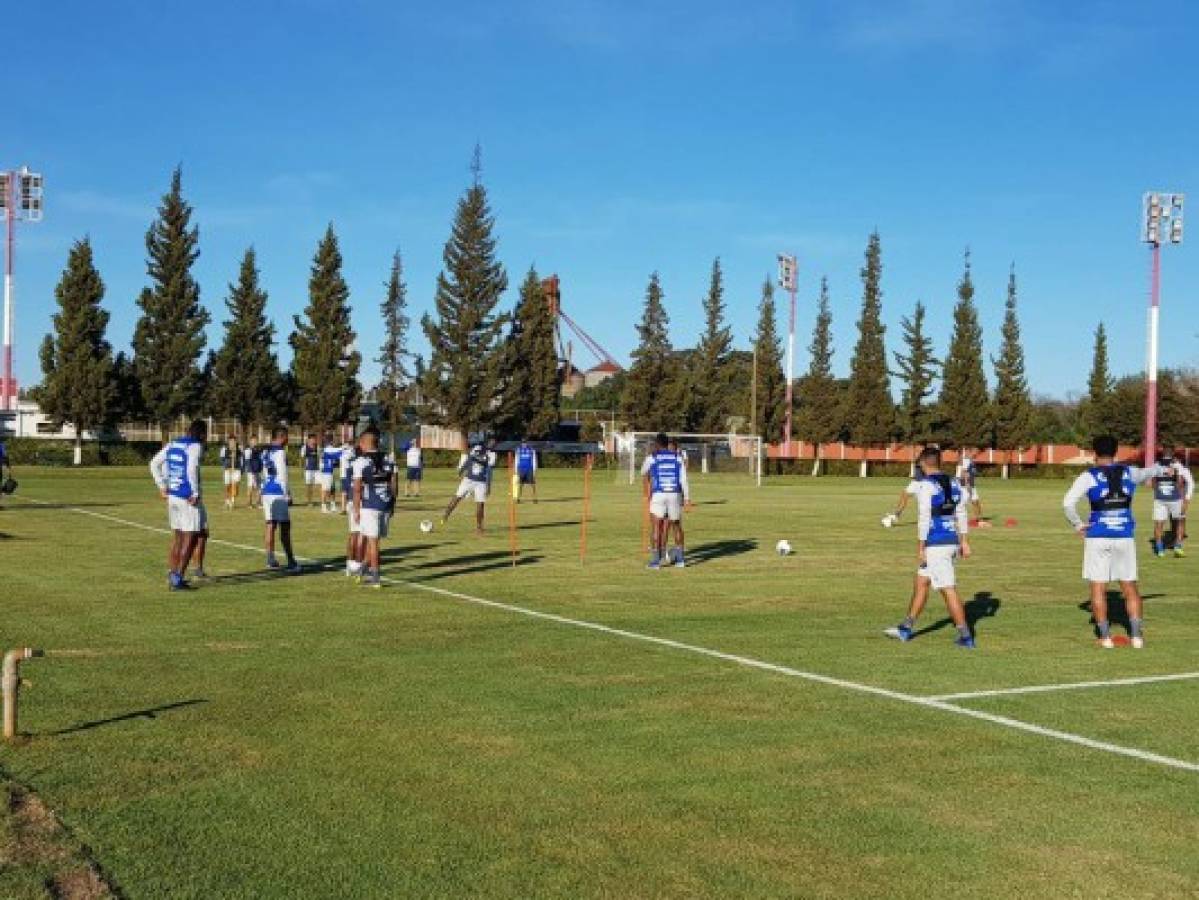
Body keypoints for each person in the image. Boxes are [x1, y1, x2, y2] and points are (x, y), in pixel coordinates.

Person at [1063, 435, 1159, 649]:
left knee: (1098, 587)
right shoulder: (1130, 472)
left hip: (1098, 535)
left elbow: (1068, 503)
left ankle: (1105, 638)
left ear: (1094, 452)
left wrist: (1078, 525)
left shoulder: (1089, 476)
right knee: (1129, 586)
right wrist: (1163, 467)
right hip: (1124, 535)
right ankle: (1136, 637)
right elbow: (1149, 472)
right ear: (1116, 451)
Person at [884, 446, 975, 648]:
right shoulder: (953, 482)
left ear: (923, 463)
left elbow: (924, 517)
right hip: (951, 541)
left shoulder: (925, 486)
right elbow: (961, 512)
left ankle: (966, 636)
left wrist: (920, 546)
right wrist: (964, 540)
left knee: (947, 589)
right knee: (921, 582)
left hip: (936, 544)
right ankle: (905, 628)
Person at [149, 420, 210, 590]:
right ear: (202, 434)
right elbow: (191, 469)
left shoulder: (174, 444)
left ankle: (173, 572)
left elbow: (153, 463)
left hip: (173, 497)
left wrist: (162, 486)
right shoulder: (194, 446)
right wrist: (195, 492)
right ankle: (178, 578)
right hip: (187, 497)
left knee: (179, 537)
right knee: (189, 539)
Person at [352, 426, 397, 588]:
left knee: (372, 543)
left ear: (364, 443)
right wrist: (393, 504)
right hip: (385, 504)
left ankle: (375, 577)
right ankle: (364, 567)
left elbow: (357, 489)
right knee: (375, 540)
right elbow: (394, 483)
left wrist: (356, 510)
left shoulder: (360, 462)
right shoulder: (389, 459)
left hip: (369, 506)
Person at [642, 432, 691, 569]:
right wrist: (687, 498)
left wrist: (647, 488)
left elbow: (643, 471)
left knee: (656, 526)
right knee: (676, 525)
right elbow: (684, 480)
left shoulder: (652, 457)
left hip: (658, 494)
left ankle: (655, 562)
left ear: (657, 444)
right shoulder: (678, 457)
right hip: (674, 494)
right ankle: (681, 560)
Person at [261, 427, 301, 573]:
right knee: (285, 526)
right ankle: (290, 560)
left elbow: (264, 472)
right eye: (287, 437)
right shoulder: (280, 452)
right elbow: (283, 475)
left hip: (266, 490)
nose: (288, 440)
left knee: (270, 524)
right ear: (282, 437)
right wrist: (287, 495)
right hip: (277, 492)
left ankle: (270, 559)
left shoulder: (266, 451)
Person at [442, 444, 492, 534]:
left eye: (479, 452)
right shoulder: (471, 457)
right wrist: (460, 472)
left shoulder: (486, 458)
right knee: (457, 498)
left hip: (480, 483)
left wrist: (488, 486)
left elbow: (485, 467)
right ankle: (446, 514)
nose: (477, 453)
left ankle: (479, 527)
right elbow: (464, 466)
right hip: (468, 480)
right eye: (476, 452)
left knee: (480, 504)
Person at [1152, 451, 1193, 558]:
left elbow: (1153, 483)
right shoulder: (1177, 467)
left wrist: (1160, 491)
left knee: (1160, 523)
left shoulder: (1157, 466)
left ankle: (1160, 549)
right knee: (1179, 521)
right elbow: (1180, 484)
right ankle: (1177, 546)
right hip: (1174, 499)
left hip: (1161, 499)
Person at [955, 449, 983, 521]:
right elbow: (963, 473)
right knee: (963, 502)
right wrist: (967, 485)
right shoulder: (967, 461)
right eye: (975, 451)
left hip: (971, 485)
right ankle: (956, 517)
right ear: (970, 451)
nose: (977, 453)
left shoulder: (971, 461)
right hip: (966, 485)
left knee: (976, 502)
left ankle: (978, 519)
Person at [319, 432, 341, 513]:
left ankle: (333, 505)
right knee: (325, 489)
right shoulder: (328, 449)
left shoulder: (329, 448)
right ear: (331, 441)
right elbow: (338, 453)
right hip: (326, 472)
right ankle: (323, 506)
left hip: (330, 471)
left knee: (332, 489)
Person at [219, 435, 243, 510]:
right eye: (231, 441)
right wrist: (225, 467)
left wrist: (242, 468)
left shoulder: (239, 448)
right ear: (228, 441)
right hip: (228, 469)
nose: (232, 442)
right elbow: (222, 459)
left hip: (236, 469)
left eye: (233, 441)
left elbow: (242, 458)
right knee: (227, 486)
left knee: (235, 485)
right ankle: (227, 501)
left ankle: (232, 500)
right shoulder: (224, 448)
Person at [515, 438, 538, 503]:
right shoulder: (518, 450)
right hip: (521, 469)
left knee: (532, 484)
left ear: (527, 443)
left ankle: (534, 498)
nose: (524, 444)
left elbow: (534, 460)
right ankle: (518, 498)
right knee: (520, 484)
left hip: (529, 469)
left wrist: (534, 469)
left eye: (525, 442)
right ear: (521, 443)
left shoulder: (531, 450)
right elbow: (517, 460)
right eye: (522, 443)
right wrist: (516, 470)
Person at [337, 433, 355, 513]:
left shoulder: (350, 450)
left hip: (347, 473)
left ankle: (346, 507)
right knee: (346, 491)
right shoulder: (346, 449)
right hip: (346, 473)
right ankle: (344, 508)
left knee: (347, 491)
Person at [300, 433, 319, 506]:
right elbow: (302, 457)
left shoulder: (317, 447)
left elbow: (319, 457)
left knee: (317, 485)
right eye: (312, 439)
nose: (314, 440)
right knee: (309, 486)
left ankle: (319, 500)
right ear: (309, 440)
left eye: (314, 439)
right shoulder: (305, 447)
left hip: (316, 469)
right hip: (308, 469)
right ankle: (309, 501)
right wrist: (303, 467)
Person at [244, 443, 263, 508]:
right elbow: (248, 462)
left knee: (259, 487)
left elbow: (260, 462)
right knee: (250, 487)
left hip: (258, 472)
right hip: (251, 472)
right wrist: (252, 471)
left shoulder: (259, 452)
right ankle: (249, 503)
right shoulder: (249, 451)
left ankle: (258, 502)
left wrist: (260, 470)